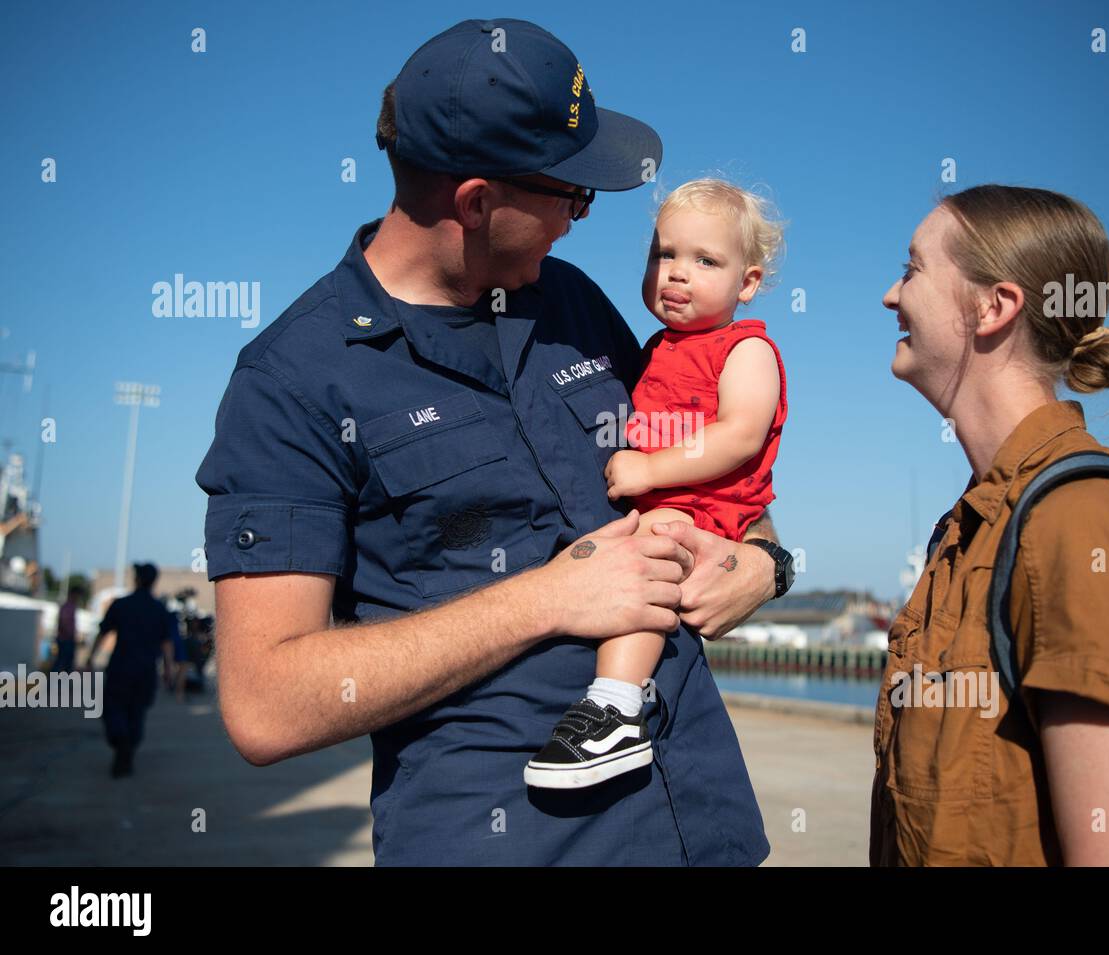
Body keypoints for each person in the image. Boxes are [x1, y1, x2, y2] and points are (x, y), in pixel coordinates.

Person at [195, 18, 782, 866]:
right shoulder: (293, 381)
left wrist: (766, 560)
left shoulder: (572, 303)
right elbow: (266, 705)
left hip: (702, 824)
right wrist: (546, 599)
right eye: (569, 197)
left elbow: (706, 471)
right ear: (475, 201)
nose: (578, 225)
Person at [871, 184, 1109, 865]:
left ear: (994, 307)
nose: (890, 296)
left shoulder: (1089, 528)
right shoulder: (974, 528)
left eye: (912, 269)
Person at [524, 179, 793, 788]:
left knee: (644, 560)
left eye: (705, 261)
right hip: (671, 498)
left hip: (708, 504)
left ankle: (616, 704)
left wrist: (648, 469)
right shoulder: (653, 347)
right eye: (663, 255)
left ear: (747, 283)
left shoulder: (746, 349)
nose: (676, 273)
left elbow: (739, 436)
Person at [88, 563, 176, 778]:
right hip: (145, 671)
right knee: (137, 713)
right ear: (154, 581)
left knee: (113, 709)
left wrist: (90, 658)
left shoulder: (121, 605)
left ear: (136, 579)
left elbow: (103, 633)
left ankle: (121, 743)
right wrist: (168, 670)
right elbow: (167, 644)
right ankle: (127, 747)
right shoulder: (160, 610)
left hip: (120, 667)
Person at [53, 583, 85, 673]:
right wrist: (70, 635)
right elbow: (63, 623)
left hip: (67, 639)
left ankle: (61, 683)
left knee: (66, 663)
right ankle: (53, 683)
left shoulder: (71, 606)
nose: (78, 598)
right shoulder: (68, 607)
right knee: (62, 662)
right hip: (65, 639)